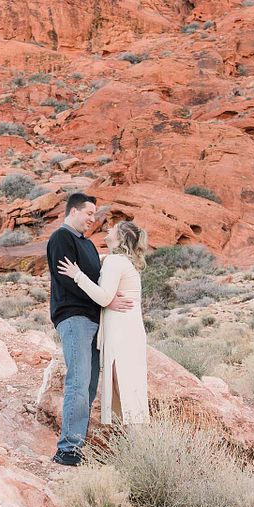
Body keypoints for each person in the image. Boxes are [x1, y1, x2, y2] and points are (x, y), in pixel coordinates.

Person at [46, 194, 133, 466]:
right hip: (75, 318)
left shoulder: (88, 245)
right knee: (79, 382)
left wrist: (108, 298)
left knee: (90, 385)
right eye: (89, 213)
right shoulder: (62, 238)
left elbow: (97, 284)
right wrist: (105, 300)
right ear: (73, 211)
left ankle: (77, 446)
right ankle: (68, 449)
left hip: (95, 321)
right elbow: (68, 281)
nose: (93, 219)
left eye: (95, 214)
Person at [57, 220, 150, 429]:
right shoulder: (119, 261)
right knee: (126, 387)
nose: (108, 229)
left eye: (113, 228)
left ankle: (138, 442)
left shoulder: (115, 262)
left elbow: (104, 296)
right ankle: (134, 441)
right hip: (127, 329)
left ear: (120, 237)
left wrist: (77, 276)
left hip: (122, 331)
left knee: (123, 387)